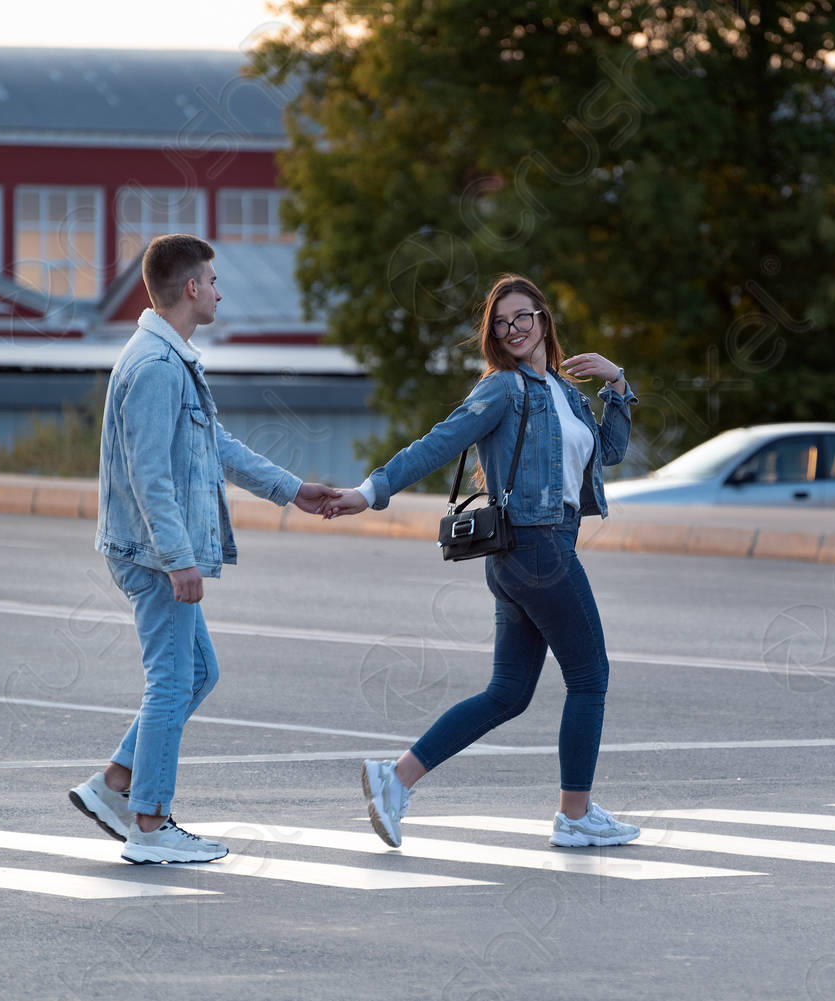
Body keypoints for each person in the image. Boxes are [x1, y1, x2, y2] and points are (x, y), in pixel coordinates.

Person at [325, 274, 640, 849]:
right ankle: (575, 815)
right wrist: (370, 492)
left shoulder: (567, 394)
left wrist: (617, 382)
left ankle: (395, 780)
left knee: (508, 694)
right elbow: (441, 441)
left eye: (523, 317)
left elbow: (610, 452)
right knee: (590, 679)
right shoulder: (504, 388)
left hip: (530, 553)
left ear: (544, 319)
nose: (513, 329)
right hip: (536, 546)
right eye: (501, 322)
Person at [70, 234, 342, 864]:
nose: (220, 291)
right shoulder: (157, 368)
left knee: (198, 673)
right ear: (190, 288)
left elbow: (216, 446)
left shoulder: (172, 360)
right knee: (170, 682)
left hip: (155, 550)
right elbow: (149, 476)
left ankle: (114, 785)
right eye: (214, 281)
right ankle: (149, 822)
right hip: (152, 553)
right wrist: (178, 558)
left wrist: (293, 489)